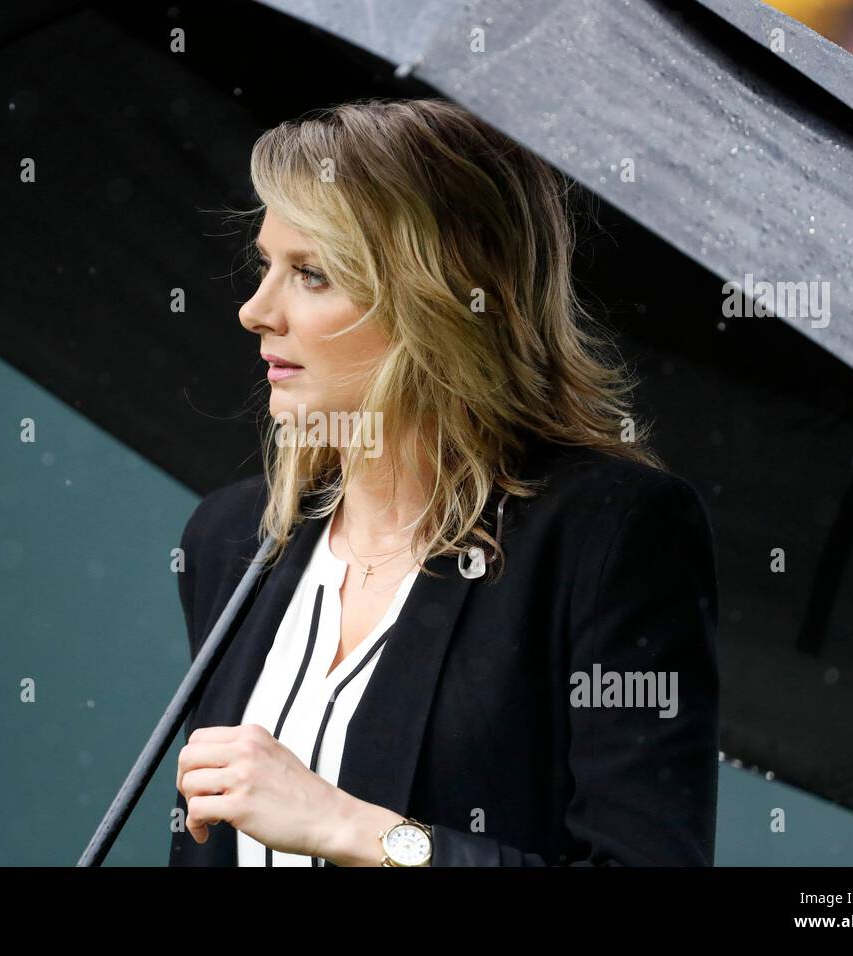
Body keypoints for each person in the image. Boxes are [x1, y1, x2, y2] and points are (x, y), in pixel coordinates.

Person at [170, 97, 719, 867]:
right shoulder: (233, 540)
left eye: (312, 274)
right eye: (266, 265)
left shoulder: (609, 535)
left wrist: (352, 831)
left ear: (437, 301)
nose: (255, 310)